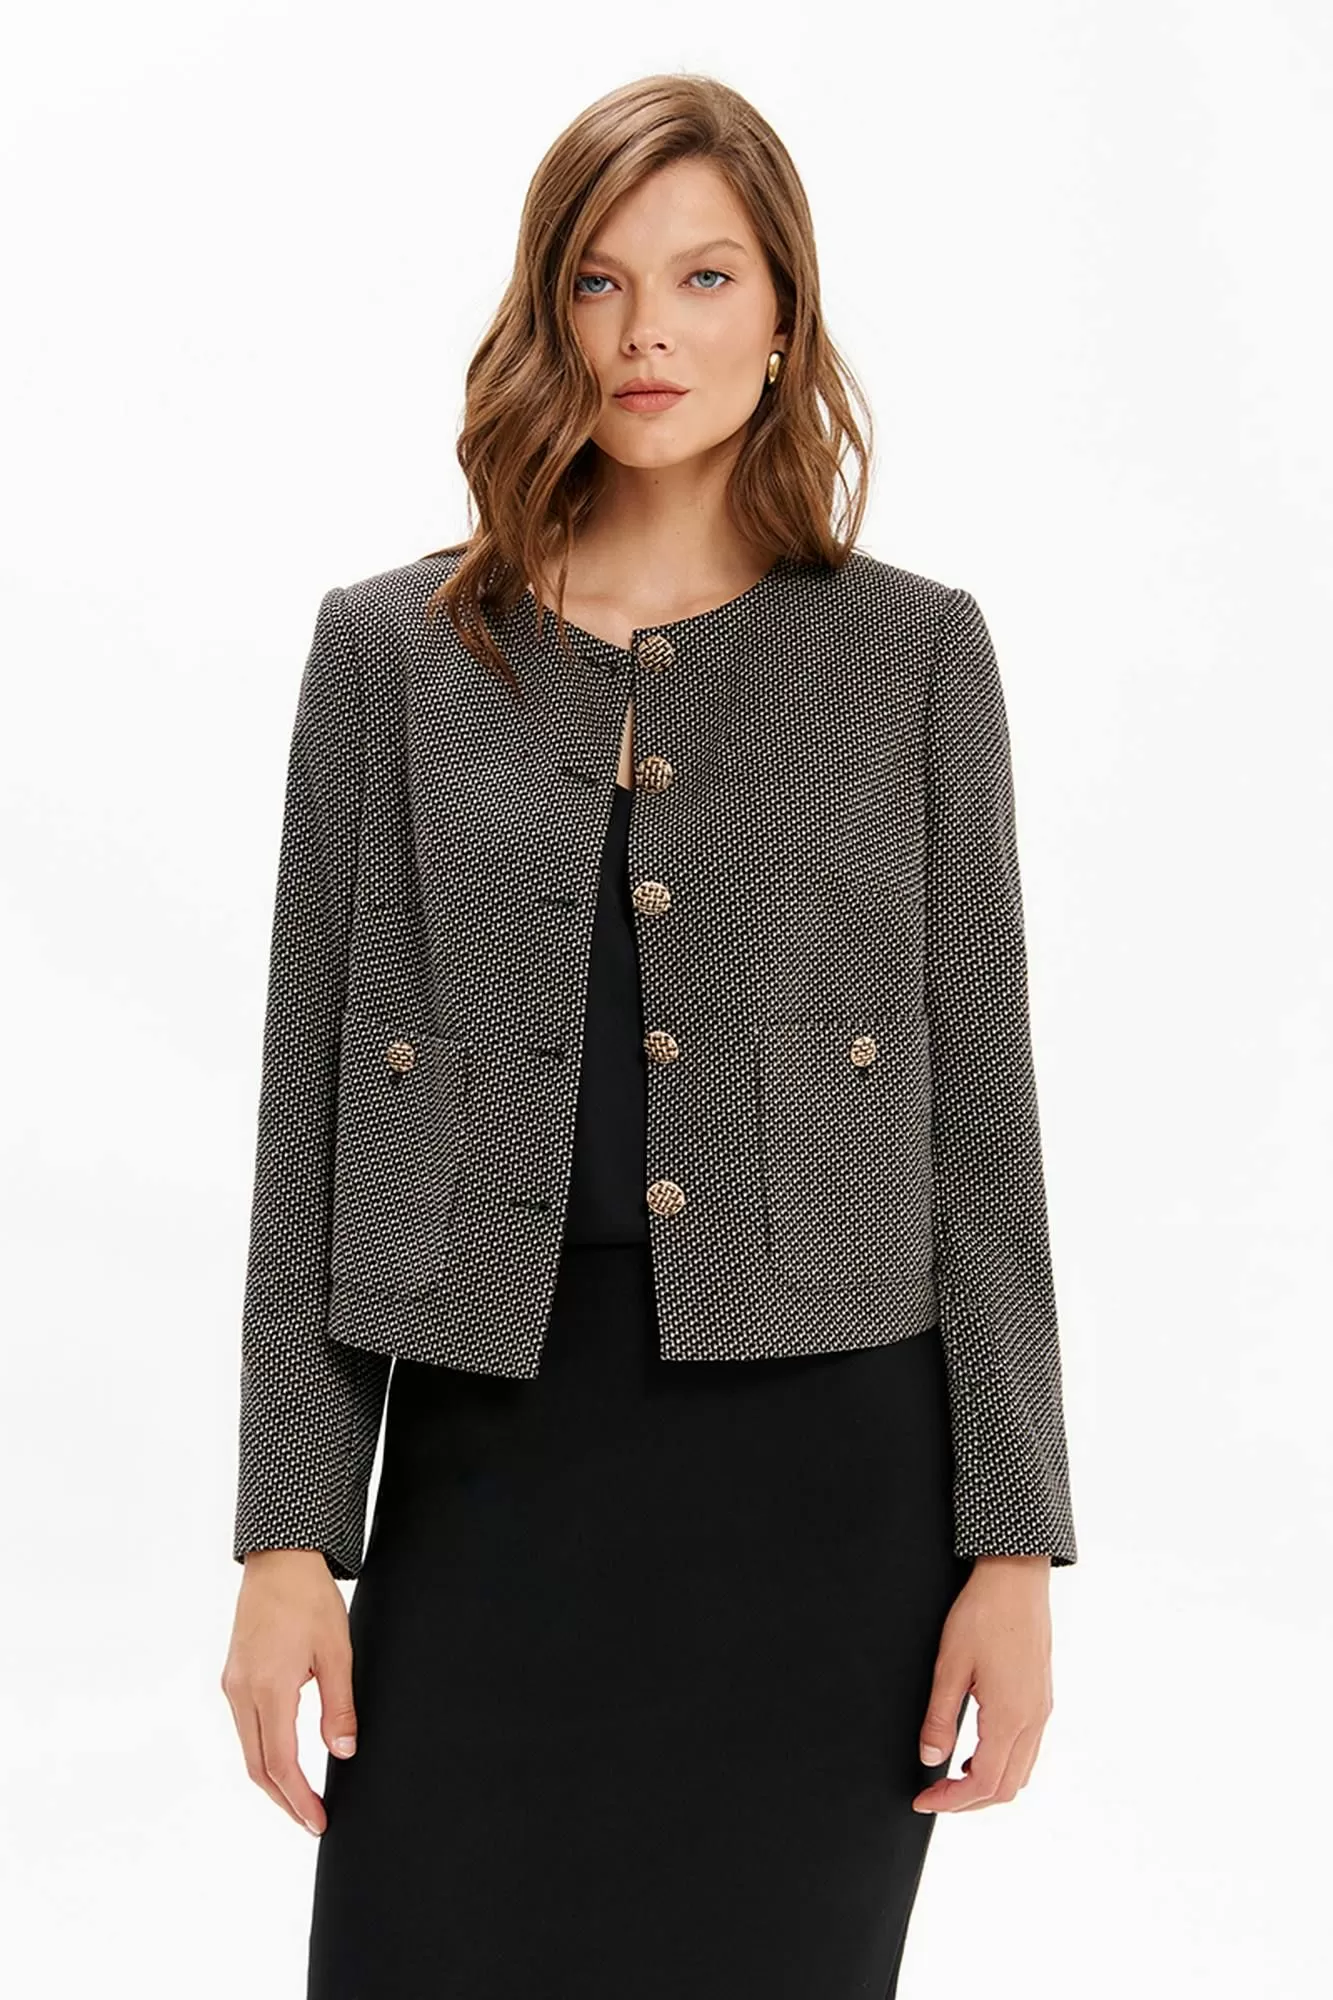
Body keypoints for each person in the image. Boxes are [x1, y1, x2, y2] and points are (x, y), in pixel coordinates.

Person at [220, 70, 1078, 2000]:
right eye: (599, 282)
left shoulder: (911, 652)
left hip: (830, 1496)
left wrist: (1015, 1551)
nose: (647, 333)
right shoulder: (394, 652)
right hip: (486, 1465)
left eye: (704, 277)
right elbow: (307, 1114)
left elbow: (982, 1126)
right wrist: (288, 1538)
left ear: (782, 319)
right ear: (548, 314)